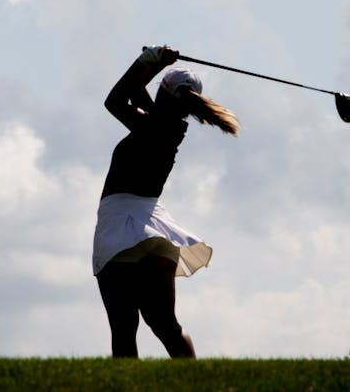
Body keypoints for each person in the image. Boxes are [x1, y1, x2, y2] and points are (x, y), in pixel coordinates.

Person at [92, 45, 240, 358]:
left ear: (165, 93)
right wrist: (155, 65)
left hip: (119, 227)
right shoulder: (168, 127)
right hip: (157, 234)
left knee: (123, 328)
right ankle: (193, 385)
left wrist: (150, 60)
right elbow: (136, 93)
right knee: (165, 324)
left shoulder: (153, 125)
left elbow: (115, 100)